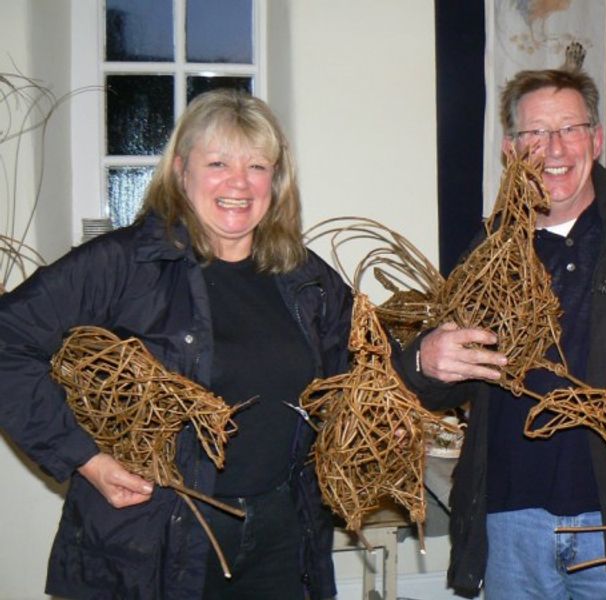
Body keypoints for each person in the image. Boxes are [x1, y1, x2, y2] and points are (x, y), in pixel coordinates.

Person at [0, 88, 352, 599]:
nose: (239, 182)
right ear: (181, 171)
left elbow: (363, 370)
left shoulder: (302, 276)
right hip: (153, 542)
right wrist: (85, 457)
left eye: (257, 166)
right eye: (217, 163)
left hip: (280, 538)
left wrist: (426, 358)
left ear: (275, 181)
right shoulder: (123, 264)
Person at [406, 69, 606, 599]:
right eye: (535, 133)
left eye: (570, 129)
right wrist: (426, 358)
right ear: (512, 150)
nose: (553, 148)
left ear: (596, 139)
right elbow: (450, 382)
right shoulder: (486, 251)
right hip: (512, 521)